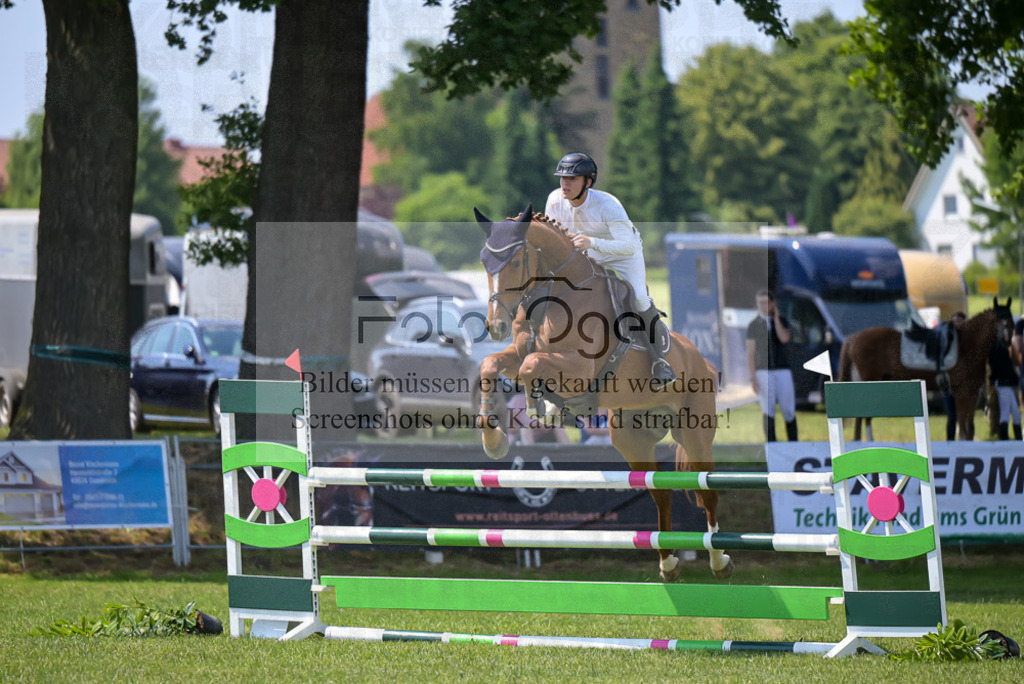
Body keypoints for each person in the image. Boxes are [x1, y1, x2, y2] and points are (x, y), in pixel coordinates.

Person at [544, 152, 675, 384]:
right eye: (562, 178)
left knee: (639, 299)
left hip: (623, 254)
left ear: (589, 182)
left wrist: (591, 242)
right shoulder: (555, 200)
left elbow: (626, 246)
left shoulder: (608, 205)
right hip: (586, 251)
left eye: (572, 179)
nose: (565, 183)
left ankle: (659, 360)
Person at [746, 289, 797, 442]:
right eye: (760, 303)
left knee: (788, 409)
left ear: (773, 303)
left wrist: (775, 319)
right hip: (763, 371)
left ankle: (794, 445)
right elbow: (750, 353)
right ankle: (772, 446)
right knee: (768, 409)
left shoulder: (782, 321)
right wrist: (753, 377)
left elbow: (784, 338)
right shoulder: (753, 325)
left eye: (766, 302)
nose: (763, 306)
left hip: (782, 369)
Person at [989, 318, 1022, 440]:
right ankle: (1004, 440)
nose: (1007, 335)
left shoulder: (1006, 348)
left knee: (1016, 414)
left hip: (1007, 384)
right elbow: (999, 368)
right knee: (1005, 413)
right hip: (1002, 384)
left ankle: (1018, 440)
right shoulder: (998, 349)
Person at [943, 311, 967, 441]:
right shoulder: (947, 338)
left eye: (959, 321)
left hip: (962, 384)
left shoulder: (967, 341)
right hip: (949, 382)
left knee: (964, 413)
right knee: (951, 414)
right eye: (954, 321)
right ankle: (950, 442)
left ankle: (964, 437)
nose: (956, 324)